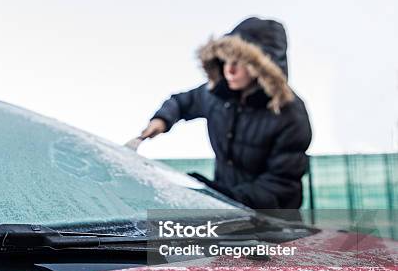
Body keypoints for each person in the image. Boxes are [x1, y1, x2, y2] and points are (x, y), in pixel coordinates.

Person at [130, 17, 312, 210]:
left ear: (262, 68)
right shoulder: (217, 95)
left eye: (240, 62)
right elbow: (182, 101)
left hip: (273, 220)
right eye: (226, 60)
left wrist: (215, 193)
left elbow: (278, 187)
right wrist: (162, 119)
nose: (229, 70)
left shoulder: (291, 115)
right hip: (225, 208)